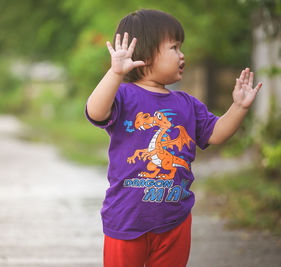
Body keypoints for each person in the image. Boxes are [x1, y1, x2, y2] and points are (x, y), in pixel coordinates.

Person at [85, 9, 262, 267]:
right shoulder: (123, 96)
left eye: (182, 47)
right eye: (174, 47)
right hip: (126, 219)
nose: (182, 55)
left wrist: (239, 108)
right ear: (145, 56)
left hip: (174, 220)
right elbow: (95, 111)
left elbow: (216, 133)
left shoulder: (186, 104)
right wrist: (115, 74)